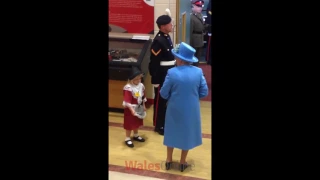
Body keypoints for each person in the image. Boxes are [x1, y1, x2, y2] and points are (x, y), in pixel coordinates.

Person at [160, 42, 209, 172]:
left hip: (174, 108)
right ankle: (182, 162)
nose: (175, 59)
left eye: (176, 57)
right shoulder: (198, 72)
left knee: (171, 132)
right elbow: (204, 92)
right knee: (186, 134)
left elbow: (163, 93)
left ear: (180, 59)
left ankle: (169, 160)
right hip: (191, 109)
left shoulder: (172, 72)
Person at [148, 15, 175, 135]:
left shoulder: (166, 36)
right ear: (163, 27)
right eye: (170, 24)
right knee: (160, 101)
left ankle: (165, 122)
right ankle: (159, 125)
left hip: (169, 72)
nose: (172, 25)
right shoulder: (158, 41)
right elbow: (154, 62)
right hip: (161, 74)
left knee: (167, 100)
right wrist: (155, 78)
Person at [122, 67, 147, 148]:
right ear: (132, 79)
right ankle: (127, 138)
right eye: (137, 79)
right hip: (130, 109)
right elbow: (127, 101)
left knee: (137, 122)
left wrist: (144, 105)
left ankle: (136, 135)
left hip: (138, 107)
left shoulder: (141, 86)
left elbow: (143, 96)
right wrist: (132, 110)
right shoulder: (128, 88)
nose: (139, 80)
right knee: (129, 123)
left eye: (140, 78)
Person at [190, 0, 206, 66]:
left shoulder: (200, 15)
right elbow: (190, 30)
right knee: (193, 56)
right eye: (198, 6)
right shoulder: (191, 17)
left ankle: (197, 68)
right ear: (193, 6)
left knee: (198, 56)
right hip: (194, 39)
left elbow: (202, 25)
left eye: (201, 6)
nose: (200, 8)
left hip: (200, 38)